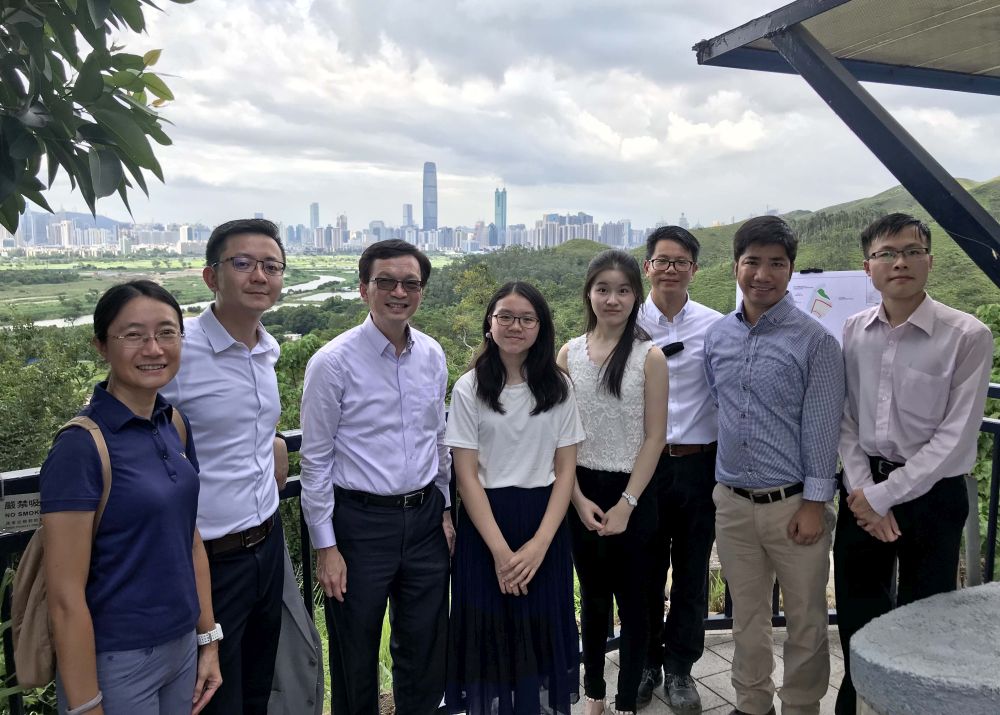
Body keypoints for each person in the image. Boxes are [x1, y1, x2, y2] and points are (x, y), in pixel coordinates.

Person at [833, 213, 994, 715]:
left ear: (929, 260)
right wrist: (864, 493)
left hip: (932, 499)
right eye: (886, 253)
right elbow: (846, 420)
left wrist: (882, 497)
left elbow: (955, 437)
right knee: (858, 611)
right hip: (862, 492)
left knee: (925, 620)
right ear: (868, 266)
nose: (899, 262)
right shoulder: (854, 329)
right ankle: (857, 698)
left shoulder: (966, 335)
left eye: (911, 251)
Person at [41, 280, 222, 715]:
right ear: (102, 346)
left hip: (180, 648)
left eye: (166, 332)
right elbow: (65, 595)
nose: (153, 348)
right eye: (133, 335)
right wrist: (86, 704)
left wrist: (207, 638)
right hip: (116, 660)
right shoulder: (80, 447)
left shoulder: (173, 423)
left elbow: (189, 539)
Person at [299, 239, 454, 715]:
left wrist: (445, 507)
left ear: (421, 291)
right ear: (364, 287)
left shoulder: (431, 353)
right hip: (360, 526)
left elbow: (439, 438)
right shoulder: (332, 362)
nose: (398, 292)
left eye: (410, 283)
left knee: (425, 646)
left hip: (426, 517)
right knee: (355, 652)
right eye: (385, 281)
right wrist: (326, 546)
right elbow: (316, 459)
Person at [703, 216, 845, 715]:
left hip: (793, 504)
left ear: (791, 270)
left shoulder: (817, 342)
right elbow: (719, 407)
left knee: (806, 618)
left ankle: (802, 706)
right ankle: (751, 701)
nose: (762, 274)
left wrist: (814, 502)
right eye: (752, 262)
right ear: (736, 266)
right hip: (732, 502)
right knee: (748, 616)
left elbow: (824, 429)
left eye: (776, 263)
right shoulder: (717, 336)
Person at [160, 218, 289, 715]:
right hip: (204, 559)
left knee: (256, 686)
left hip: (266, 544)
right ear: (211, 277)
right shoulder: (175, 347)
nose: (260, 275)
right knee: (210, 698)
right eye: (243, 263)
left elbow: (242, 431)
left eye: (271, 266)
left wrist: (274, 444)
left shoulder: (266, 349)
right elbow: (122, 429)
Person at [446, 281, 585, 715]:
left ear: (540, 328)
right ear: (489, 323)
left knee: (539, 628)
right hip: (487, 524)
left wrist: (539, 545)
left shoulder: (558, 387)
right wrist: (503, 554)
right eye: (505, 316)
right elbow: (466, 476)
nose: (514, 325)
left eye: (526, 318)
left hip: (543, 519)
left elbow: (566, 472)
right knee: (489, 631)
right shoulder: (469, 387)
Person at [557, 251, 668, 715]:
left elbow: (655, 436)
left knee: (638, 601)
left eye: (623, 290)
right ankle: (595, 693)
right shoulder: (568, 353)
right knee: (595, 598)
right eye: (603, 288)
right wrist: (577, 499)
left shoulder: (650, 356)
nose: (612, 298)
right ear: (589, 293)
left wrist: (626, 503)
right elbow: (560, 436)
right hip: (580, 491)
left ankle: (626, 699)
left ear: (635, 297)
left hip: (636, 493)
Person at [636, 226, 723, 711]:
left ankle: (681, 668)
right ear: (647, 266)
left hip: (697, 465)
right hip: (642, 470)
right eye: (662, 261)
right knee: (645, 570)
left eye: (680, 262)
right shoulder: (625, 322)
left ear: (694, 269)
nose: (670, 269)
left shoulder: (717, 325)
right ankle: (647, 660)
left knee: (692, 571)